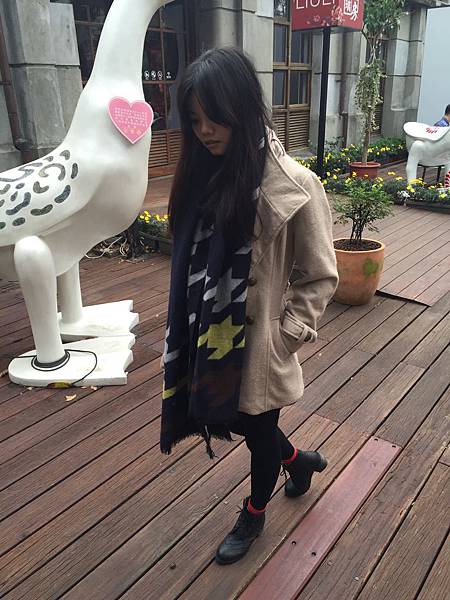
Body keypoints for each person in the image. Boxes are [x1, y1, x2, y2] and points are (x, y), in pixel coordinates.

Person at [160, 47, 338, 565]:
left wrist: (287, 334)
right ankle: (297, 460)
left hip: (259, 339)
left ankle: (255, 512)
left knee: (256, 430)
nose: (204, 131)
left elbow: (320, 273)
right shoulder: (203, 175)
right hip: (208, 331)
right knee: (242, 421)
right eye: (194, 119)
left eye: (214, 117)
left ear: (241, 108)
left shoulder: (296, 185)